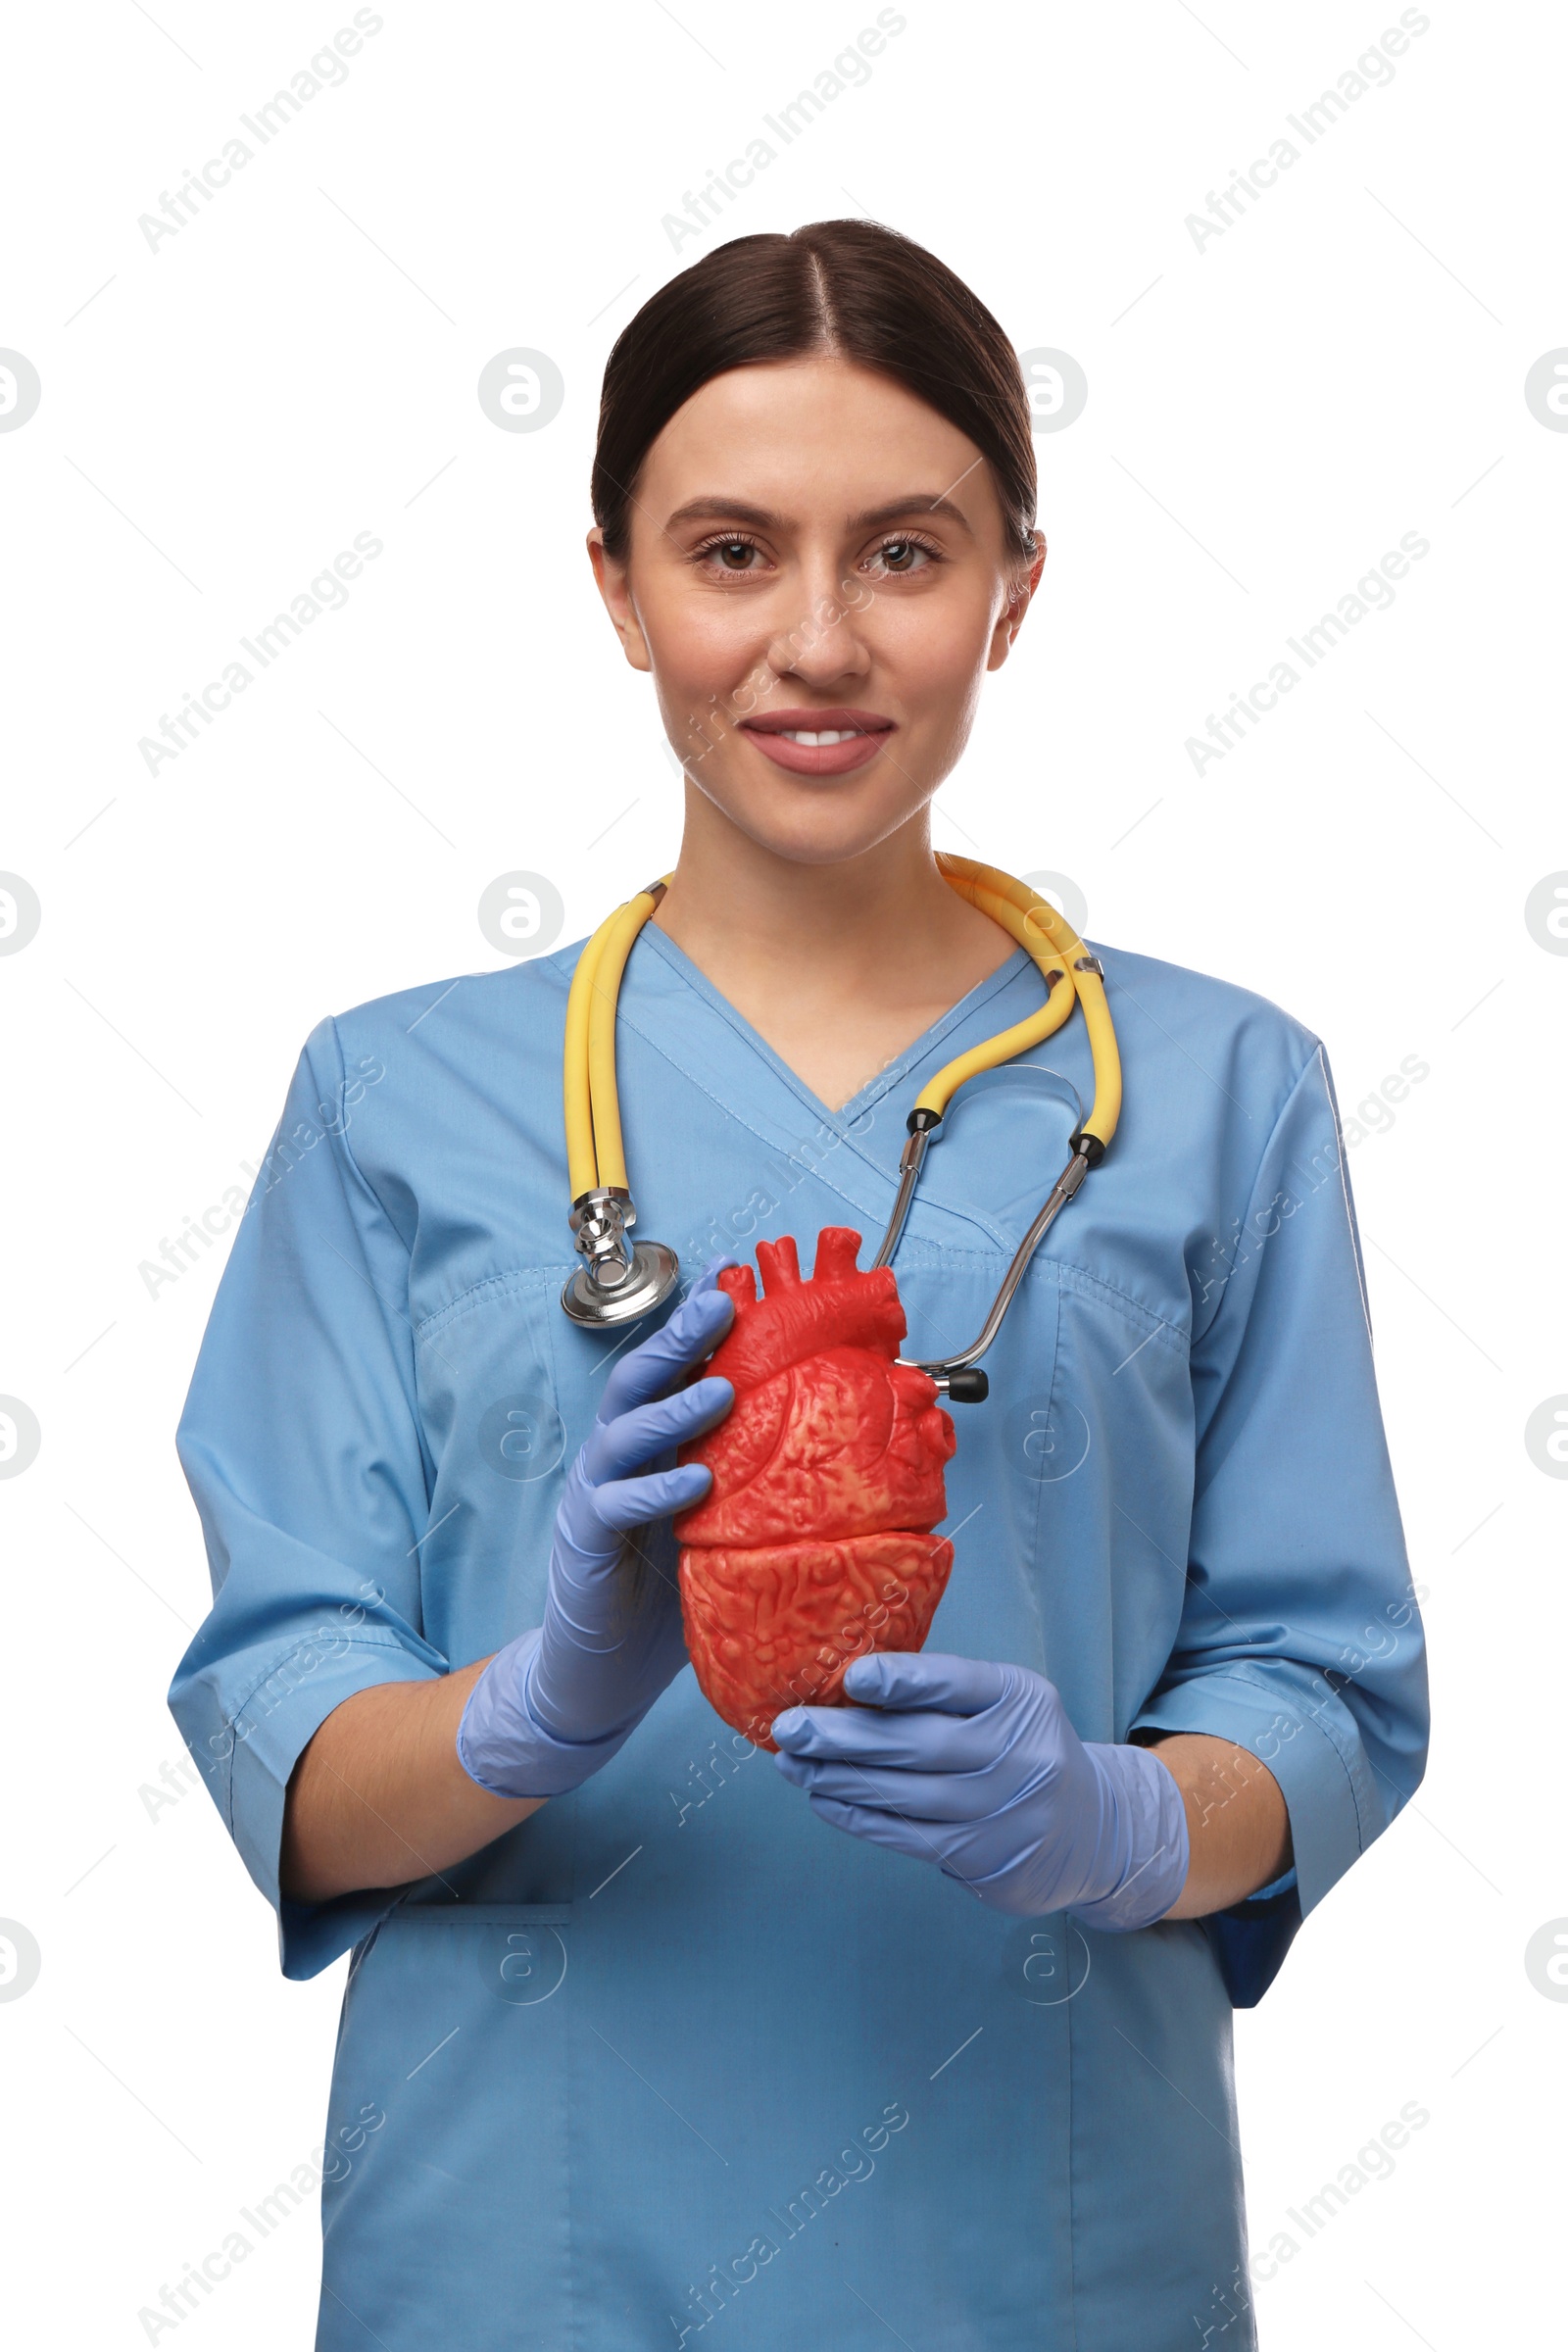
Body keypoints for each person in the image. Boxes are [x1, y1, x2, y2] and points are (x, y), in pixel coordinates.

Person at [169, 220, 1429, 2351]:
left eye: (906, 554)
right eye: (731, 552)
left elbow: (1322, 1691)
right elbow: (279, 1743)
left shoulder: (1217, 1091)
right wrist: (530, 1707)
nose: (816, 642)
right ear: (616, 590)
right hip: (518, 2259)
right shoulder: (389, 1101)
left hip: (1045, 2253)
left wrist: (1121, 1821)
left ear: (1016, 588)